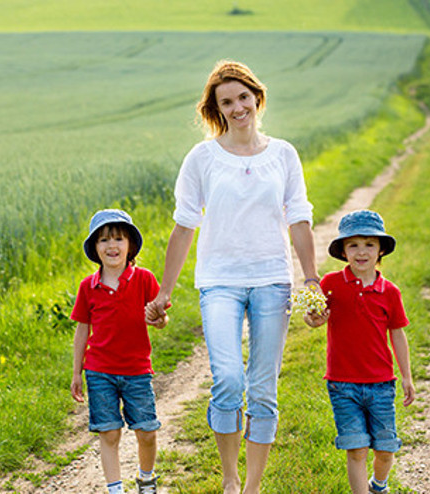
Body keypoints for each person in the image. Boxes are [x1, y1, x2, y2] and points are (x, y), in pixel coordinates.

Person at [145, 60, 318, 494]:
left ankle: (253, 487)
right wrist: (164, 291)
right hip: (219, 280)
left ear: (256, 97)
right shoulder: (202, 158)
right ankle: (229, 478)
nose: (238, 106)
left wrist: (311, 279)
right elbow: (184, 226)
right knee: (227, 379)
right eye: (227, 101)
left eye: (243, 97)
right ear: (216, 109)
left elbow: (299, 219)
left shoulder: (283, 154)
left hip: (271, 280)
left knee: (262, 388)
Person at [303, 209, 415, 494]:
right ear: (343, 250)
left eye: (369, 244)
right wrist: (312, 318)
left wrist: (406, 377)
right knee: (356, 449)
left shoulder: (390, 292)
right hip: (342, 384)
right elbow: (314, 316)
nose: (361, 252)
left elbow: (398, 334)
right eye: (353, 245)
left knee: (386, 450)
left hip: (381, 384)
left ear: (380, 251)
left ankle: (379, 483)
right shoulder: (330, 284)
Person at [70, 209, 167, 494]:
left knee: (146, 431)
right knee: (109, 432)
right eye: (103, 240)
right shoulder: (88, 287)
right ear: (95, 248)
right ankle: (115, 489)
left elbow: (161, 319)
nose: (111, 246)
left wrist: (160, 319)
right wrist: (77, 372)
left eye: (118, 239)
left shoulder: (145, 279)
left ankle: (146, 479)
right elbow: (81, 330)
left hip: (137, 370)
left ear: (130, 245)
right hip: (99, 371)